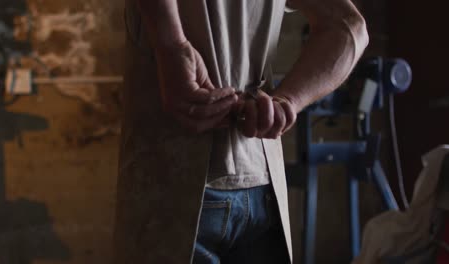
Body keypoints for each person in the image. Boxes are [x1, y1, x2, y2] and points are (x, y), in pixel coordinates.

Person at [113, 0, 369, 263]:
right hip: (261, 182)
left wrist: (172, 46)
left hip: (174, 183)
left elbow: (350, 28)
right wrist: (287, 102)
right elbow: (348, 27)